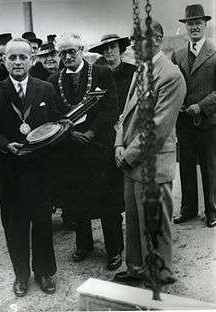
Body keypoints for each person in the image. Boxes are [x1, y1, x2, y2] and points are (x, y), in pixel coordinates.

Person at [113, 20, 186, 285]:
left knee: (155, 227)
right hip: (132, 161)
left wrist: (127, 154)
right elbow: (125, 114)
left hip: (151, 162)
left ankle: (157, 281)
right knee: (133, 223)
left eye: (137, 39)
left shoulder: (170, 75)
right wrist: (119, 145)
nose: (133, 44)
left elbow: (157, 128)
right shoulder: (140, 69)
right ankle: (136, 270)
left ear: (156, 39)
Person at [48, 32, 124, 270]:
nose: (68, 56)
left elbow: (111, 107)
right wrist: (69, 134)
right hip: (70, 150)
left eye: (72, 51)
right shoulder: (53, 80)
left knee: (108, 202)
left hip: (99, 147)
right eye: (63, 53)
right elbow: (52, 115)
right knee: (75, 200)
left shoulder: (101, 73)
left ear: (81, 50)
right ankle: (84, 245)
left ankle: (114, 249)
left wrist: (91, 133)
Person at [0, 38, 59, 297]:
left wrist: (48, 139)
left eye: (23, 57)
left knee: (43, 222)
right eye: (13, 57)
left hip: (39, 170)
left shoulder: (45, 89)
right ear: (3, 61)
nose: (18, 62)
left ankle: (44, 272)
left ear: (32, 59)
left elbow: (59, 122)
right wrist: (3, 144)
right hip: (9, 171)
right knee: (14, 225)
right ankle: (22, 275)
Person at [89, 34, 136, 246]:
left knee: (133, 188)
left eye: (113, 47)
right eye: (106, 48)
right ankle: (115, 243)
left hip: (130, 133)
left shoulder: (132, 72)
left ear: (121, 49)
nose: (110, 51)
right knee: (110, 193)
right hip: (106, 137)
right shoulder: (97, 75)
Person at [172, 4, 216, 228]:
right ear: (185, 27)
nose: (194, 27)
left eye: (198, 23)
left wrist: (201, 106)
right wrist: (178, 107)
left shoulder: (215, 53)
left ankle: (212, 211)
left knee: (209, 167)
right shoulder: (177, 55)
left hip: (208, 121)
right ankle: (188, 209)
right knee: (186, 165)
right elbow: (171, 86)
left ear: (205, 25)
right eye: (190, 23)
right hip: (184, 122)